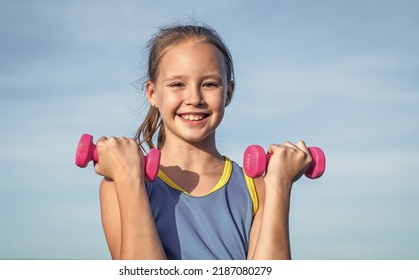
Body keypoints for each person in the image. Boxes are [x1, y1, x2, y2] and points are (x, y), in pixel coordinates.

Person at [93, 23, 312, 260]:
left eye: (209, 84)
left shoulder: (258, 188)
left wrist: (280, 185)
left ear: (228, 93)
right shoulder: (121, 182)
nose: (194, 98)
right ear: (152, 93)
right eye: (177, 84)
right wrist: (129, 178)